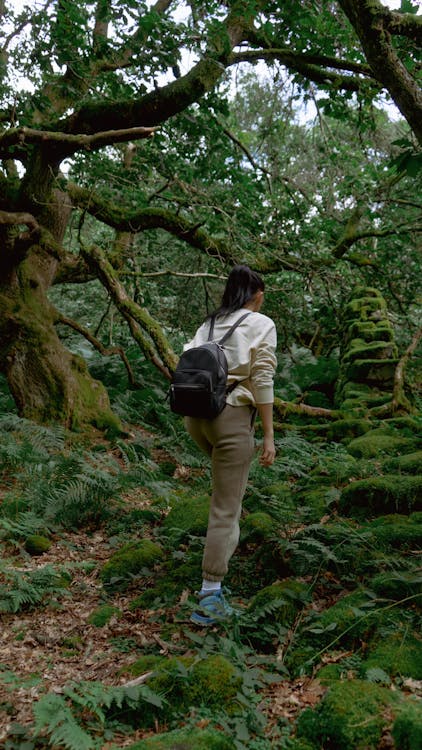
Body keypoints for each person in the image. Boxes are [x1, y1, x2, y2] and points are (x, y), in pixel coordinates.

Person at [183, 264, 277, 625]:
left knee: (227, 493)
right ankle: (210, 597)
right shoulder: (261, 323)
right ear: (257, 294)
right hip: (232, 419)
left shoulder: (208, 324)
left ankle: (226, 539)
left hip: (196, 420)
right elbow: (263, 379)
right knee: (226, 508)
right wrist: (268, 434)